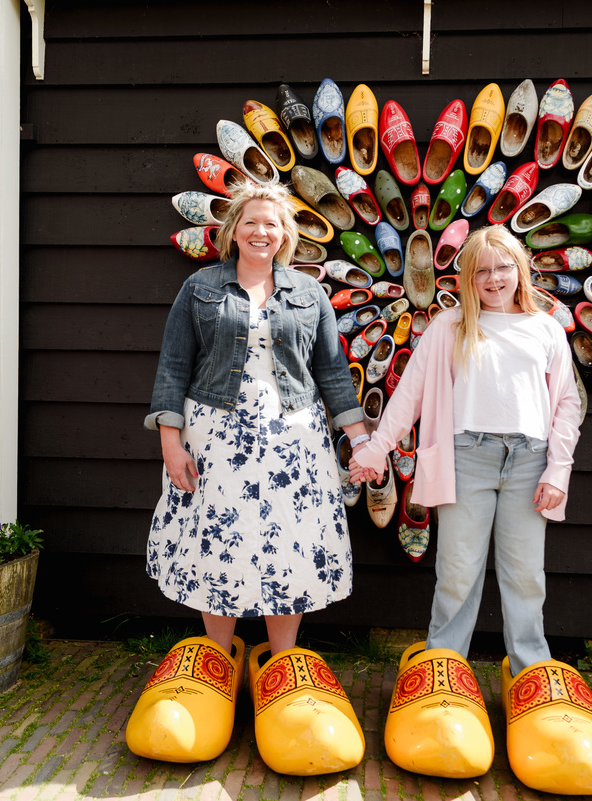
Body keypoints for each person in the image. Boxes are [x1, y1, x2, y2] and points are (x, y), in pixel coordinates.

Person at [128, 181, 370, 772]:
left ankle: (281, 667)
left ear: (286, 235)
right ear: (234, 228)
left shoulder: (309, 293)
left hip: (293, 437)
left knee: (287, 546)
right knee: (222, 545)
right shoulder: (201, 288)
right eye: (254, 223)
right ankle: (217, 662)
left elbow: (333, 372)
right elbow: (174, 365)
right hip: (217, 436)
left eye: (274, 225)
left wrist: (359, 436)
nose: (264, 233)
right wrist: (169, 440)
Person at [350, 223, 580, 669]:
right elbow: (410, 393)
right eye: (481, 271)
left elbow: (567, 405)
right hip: (467, 459)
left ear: (520, 270)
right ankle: (444, 665)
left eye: (503, 268)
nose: (493, 280)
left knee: (526, 575)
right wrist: (378, 448)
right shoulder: (449, 326)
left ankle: (531, 668)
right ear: (468, 278)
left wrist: (558, 469)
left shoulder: (545, 328)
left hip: (530, 462)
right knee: (457, 573)